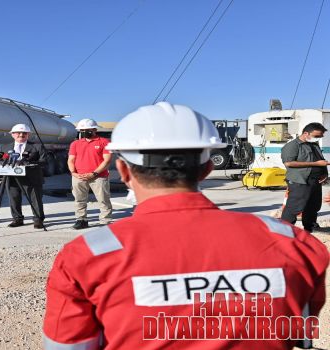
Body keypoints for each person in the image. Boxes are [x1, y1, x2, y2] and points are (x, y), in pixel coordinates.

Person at [43, 102, 328, 349]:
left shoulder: (87, 256)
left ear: (124, 171)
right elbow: (299, 329)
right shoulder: (293, 243)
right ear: (206, 169)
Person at [281, 122, 329, 232]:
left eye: (321, 136)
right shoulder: (292, 146)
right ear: (306, 133)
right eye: (317, 136)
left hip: (315, 181)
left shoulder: (314, 144)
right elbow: (289, 163)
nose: (318, 138)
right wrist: (316, 164)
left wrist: (325, 173)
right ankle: (285, 230)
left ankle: (311, 227)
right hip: (300, 181)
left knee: (313, 206)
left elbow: (320, 159)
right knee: (294, 207)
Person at [68, 118, 112, 229]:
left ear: (94, 129)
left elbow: (107, 160)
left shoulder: (104, 142)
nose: (83, 132)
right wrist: (74, 173)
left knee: (103, 199)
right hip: (79, 176)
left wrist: (94, 173)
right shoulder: (75, 143)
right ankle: (81, 220)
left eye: (86, 130)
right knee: (79, 199)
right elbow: (71, 160)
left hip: (99, 176)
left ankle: (105, 221)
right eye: (81, 130)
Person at [4, 123, 47, 228]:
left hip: (31, 177)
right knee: (14, 199)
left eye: (24, 133)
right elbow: (2, 161)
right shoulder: (5, 147)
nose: (21, 135)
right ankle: (17, 219)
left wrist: (30, 164)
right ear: (12, 134)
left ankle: (38, 220)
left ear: (28, 135)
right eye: (18, 133)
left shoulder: (37, 147)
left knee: (35, 199)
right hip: (12, 178)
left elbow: (44, 161)